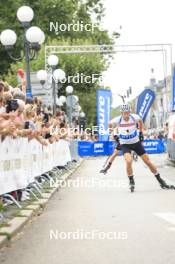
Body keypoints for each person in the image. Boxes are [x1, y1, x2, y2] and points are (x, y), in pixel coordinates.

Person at [109, 104, 174, 192]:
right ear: (121, 113)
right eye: (124, 113)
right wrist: (114, 134)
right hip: (125, 144)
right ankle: (131, 181)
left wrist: (140, 132)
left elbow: (140, 121)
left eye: (127, 113)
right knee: (128, 161)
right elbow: (109, 124)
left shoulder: (134, 117)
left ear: (129, 112)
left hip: (136, 143)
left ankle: (161, 181)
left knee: (148, 161)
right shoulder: (118, 120)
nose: (126, 115)